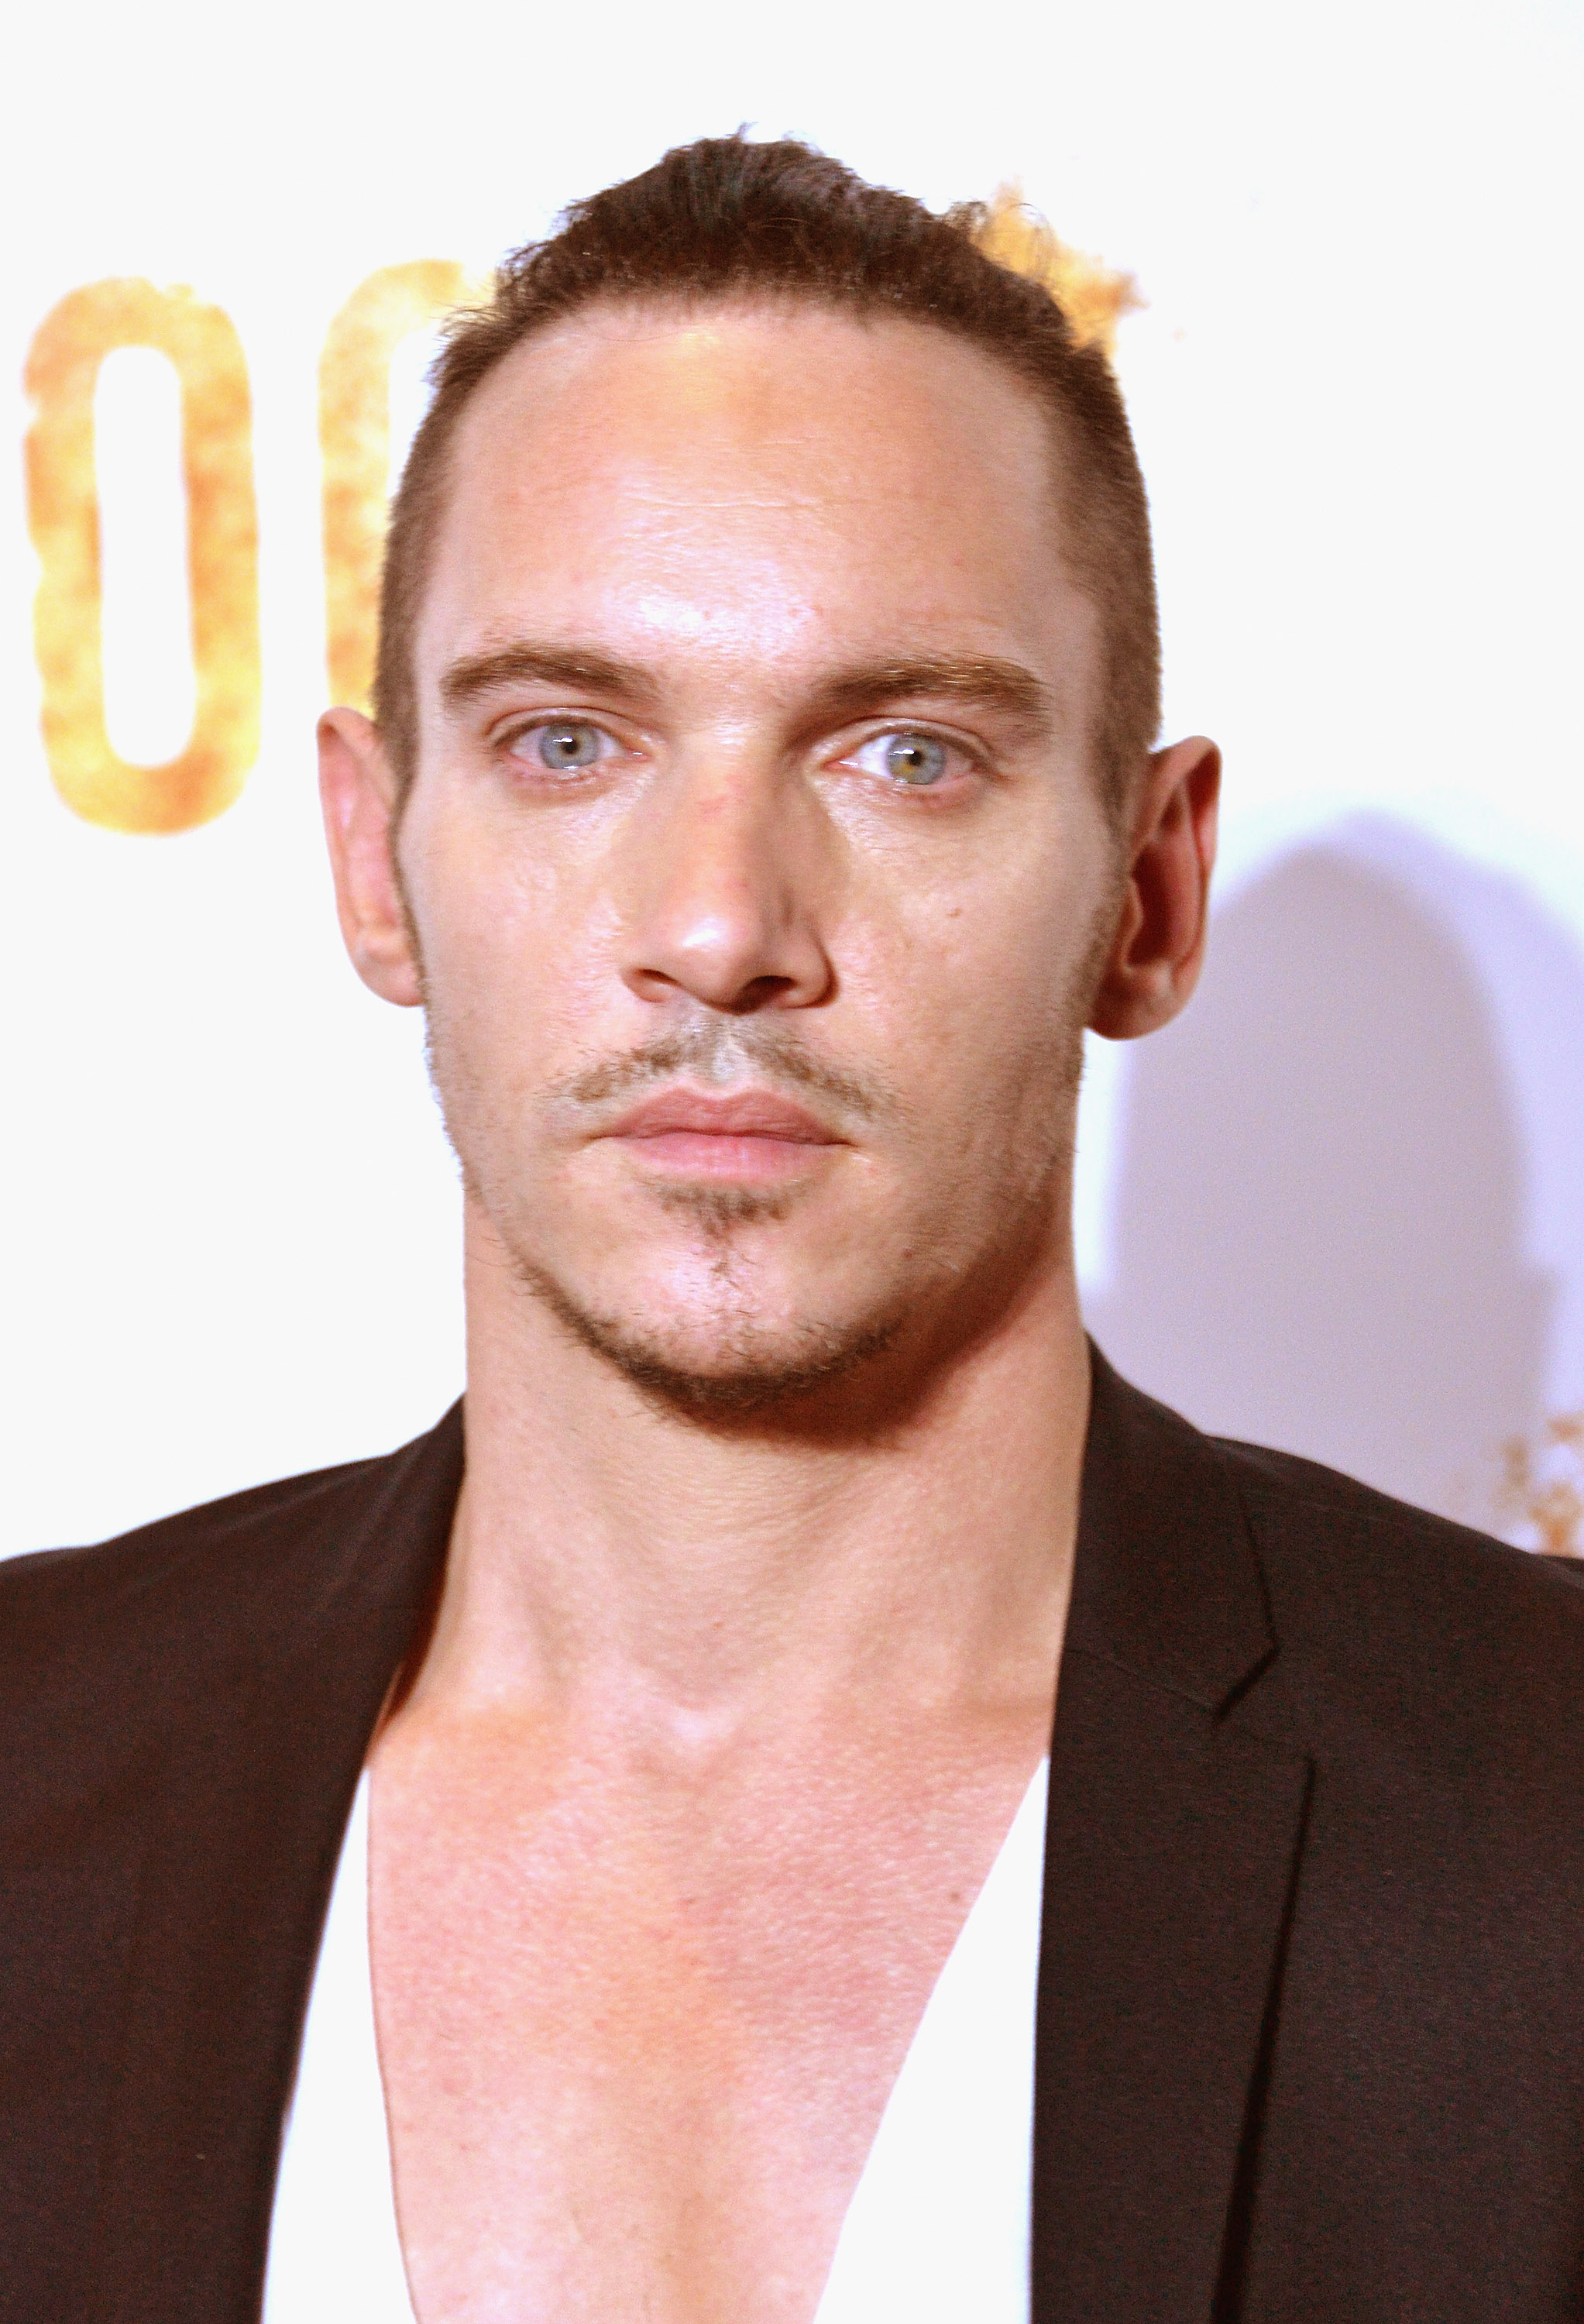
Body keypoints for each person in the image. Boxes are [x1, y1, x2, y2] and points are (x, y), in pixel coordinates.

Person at [3, 135, 1582, 2324]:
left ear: (1146, 888)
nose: (722, 929)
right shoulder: (31, 1767)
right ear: (376, 859)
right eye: (570, 741)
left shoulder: (1548, 1827)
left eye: (905, 756)